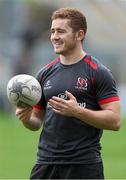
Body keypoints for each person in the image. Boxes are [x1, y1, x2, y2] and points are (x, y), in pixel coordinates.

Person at [16, 7, 121, 179]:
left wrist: (77, 111)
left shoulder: (98, 72)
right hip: (46, 163)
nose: (54, 37)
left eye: (61, 31)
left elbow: (115, 121)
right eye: (52, 31)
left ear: (79, 35)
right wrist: (27, 118)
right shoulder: (44, 73)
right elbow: (37, 122)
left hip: (83, 166)